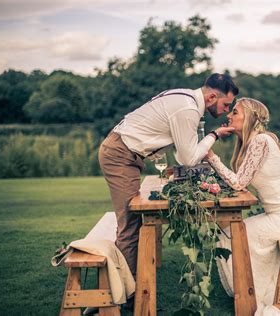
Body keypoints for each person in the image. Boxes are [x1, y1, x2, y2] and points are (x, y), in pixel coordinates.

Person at [98, 73, 238, 278]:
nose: (226, 111)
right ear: (211, 98)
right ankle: (125, 297)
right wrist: (214, 135)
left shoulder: (184, 97)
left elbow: (182, 155)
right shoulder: (188, 109)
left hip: (124, 151)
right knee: (130, 225)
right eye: (226, 105)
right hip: (120, 154)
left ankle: (127, 285)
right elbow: (190, 159)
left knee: (134, 222)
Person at [204, 98, 280, 316]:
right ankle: (246, 290)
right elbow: (239, 181)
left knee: (235, 235)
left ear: (250, 117)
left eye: (235, 112)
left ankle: (254, 296)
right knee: (229, 231)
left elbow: (238, 183)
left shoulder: (261, 141)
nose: (229, 116)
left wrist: (211, 157)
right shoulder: (255, 142)